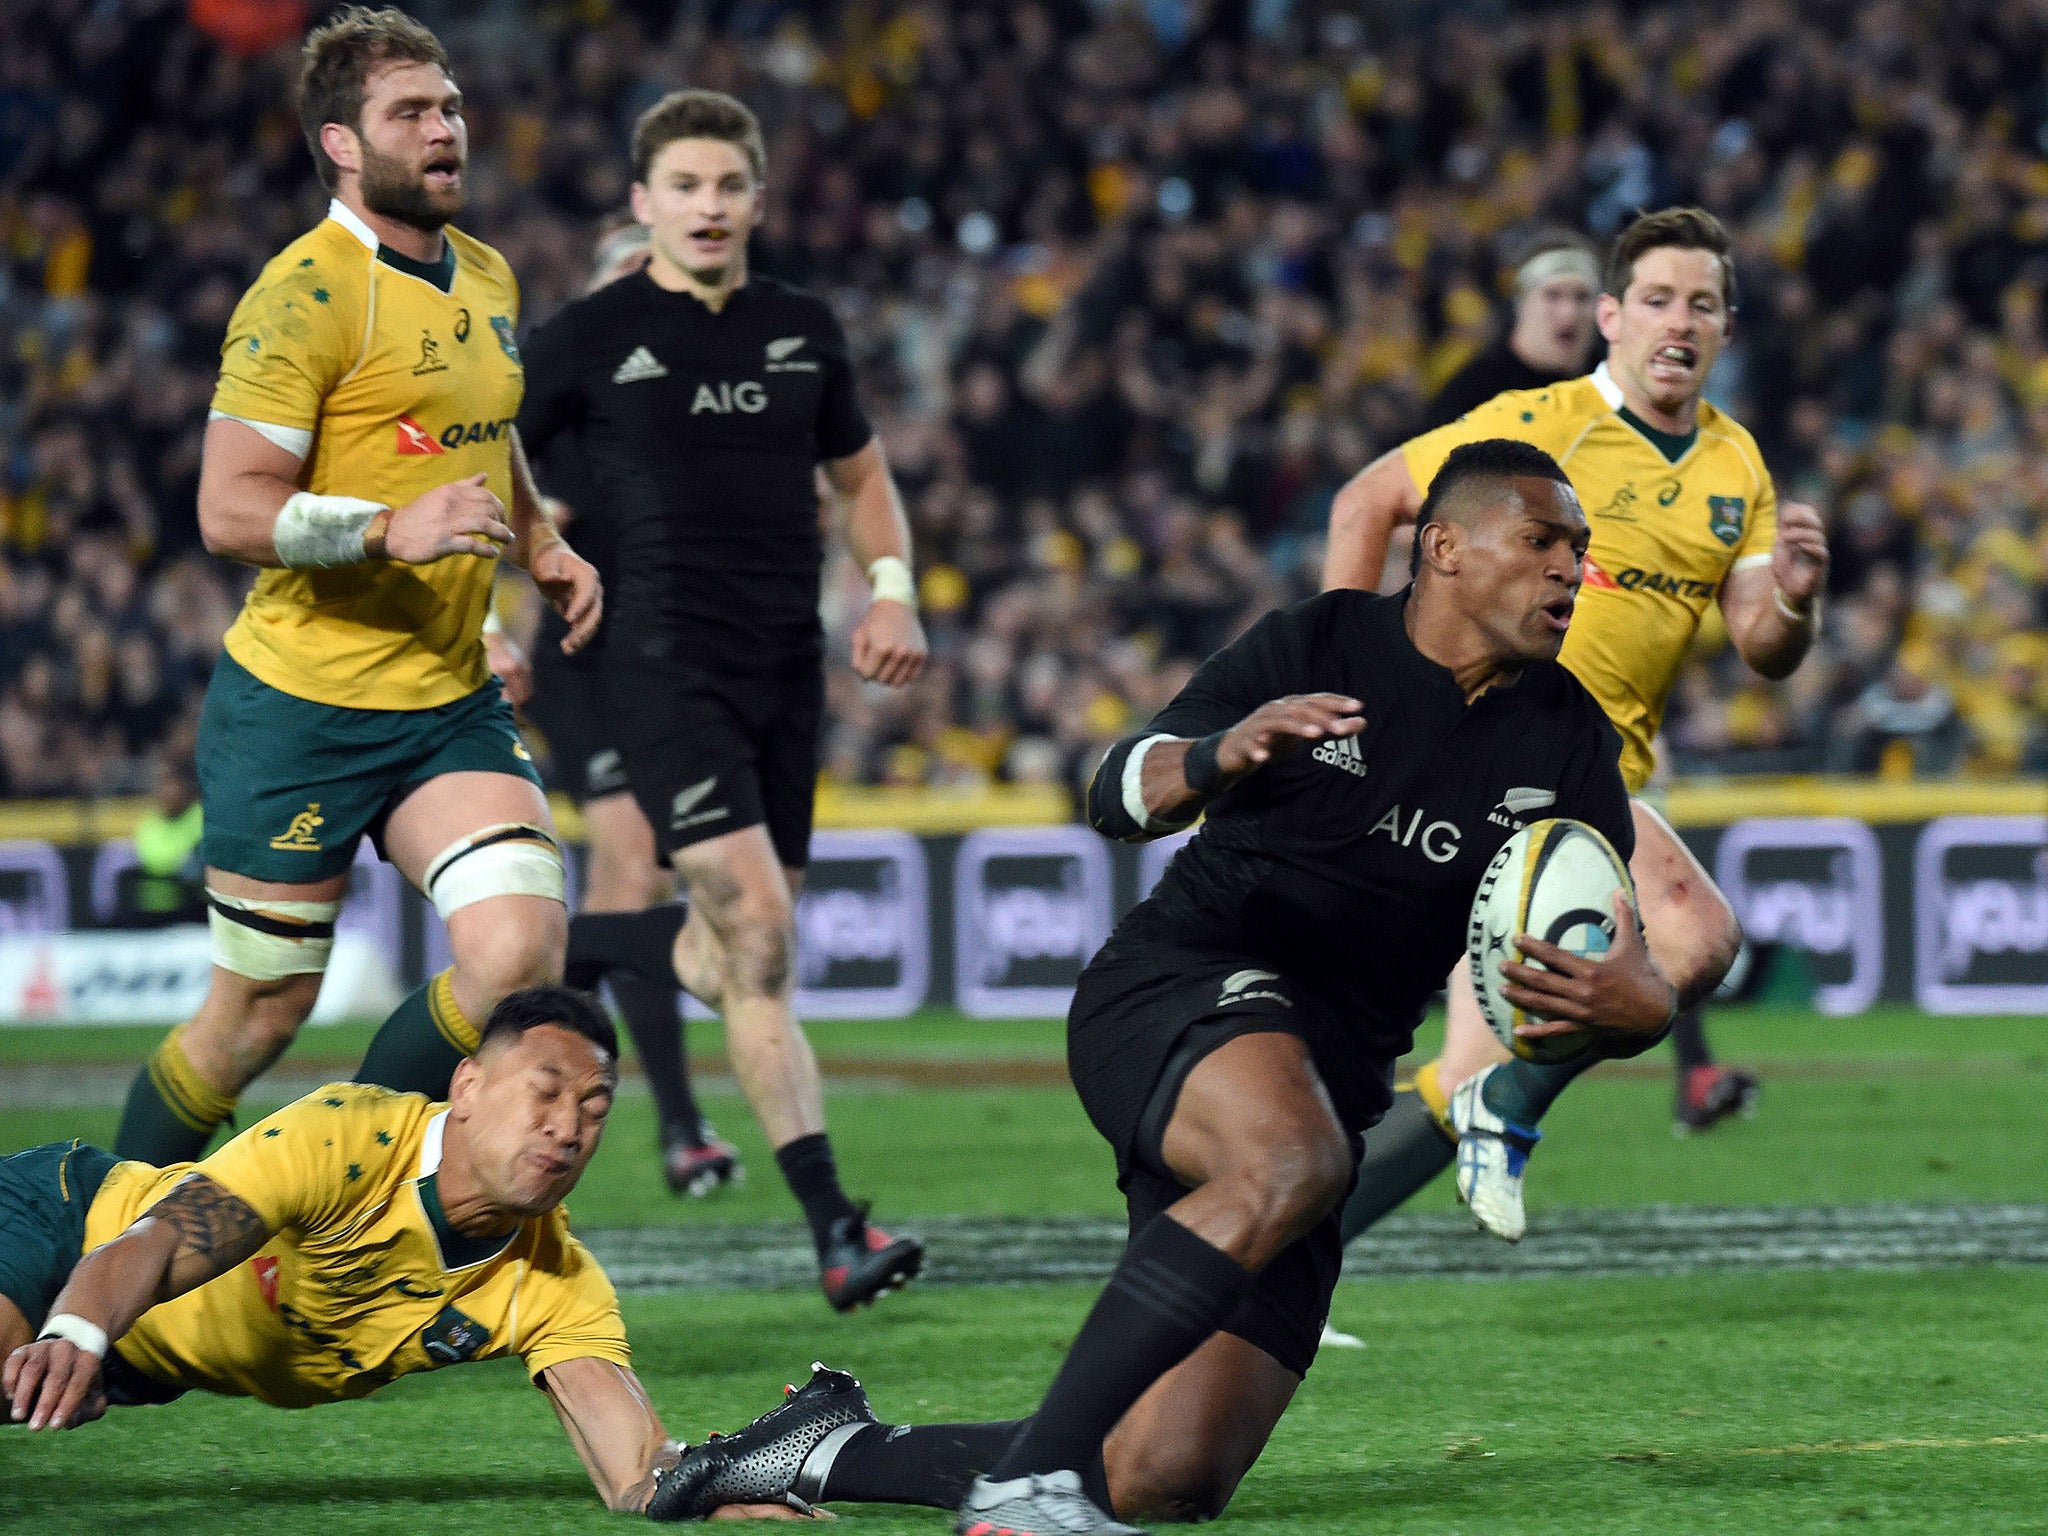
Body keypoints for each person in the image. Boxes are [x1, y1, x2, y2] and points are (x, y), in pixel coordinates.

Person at [643, 440, 1683, 1534]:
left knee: (1162, 1476)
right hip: (1176, 990)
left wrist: (1635, 1012)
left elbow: (1626, 959)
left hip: (1326, 1083)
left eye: (1579, 550)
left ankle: (817, 1451)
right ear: (1443, 550)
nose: (1571, 570)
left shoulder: (1563, 732)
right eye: (1541, 543)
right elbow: (1109, 786)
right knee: (1288, 1158)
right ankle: (1023, 1486)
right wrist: (1214, 756)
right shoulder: (1317, 641)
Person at [111, 6, 601, 1166]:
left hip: (444, 700)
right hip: (303, 707)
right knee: (257, 1018)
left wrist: (539, 544)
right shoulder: (301, 298)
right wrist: (391, 527)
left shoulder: (483, 272)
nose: (445, 130)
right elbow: (228, 506)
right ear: (341, 142)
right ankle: (112, 1242)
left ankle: (340, 1197)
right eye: (411, 113)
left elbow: (485, 433)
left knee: (519, 954)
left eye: (450, 107)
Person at [1322, 207, 1831, 1246]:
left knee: (1479, 1059)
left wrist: (1794, 598)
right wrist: (1340, 674)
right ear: (1610, 316)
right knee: (1695, 929)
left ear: (1725, 329)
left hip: (1598, 778)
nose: (1675, 321)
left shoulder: (1736, 472)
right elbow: (1366, 500)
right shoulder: (1541, 421)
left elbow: (1759, 644)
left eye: (1700, 303)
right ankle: (1504, 1111)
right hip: (1496, 752)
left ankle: (1284, 1252)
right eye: (1654, 300)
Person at [515, 89, 928, 1311]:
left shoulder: (802, 326)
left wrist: (892, 589)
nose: (707, 207)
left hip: (783, 670)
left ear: (755, 199)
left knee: (745, 952)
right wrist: (510, 591)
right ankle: (838, 1231)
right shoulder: (586, 335)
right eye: (683, 187)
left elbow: (861, 475)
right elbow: (484, 460)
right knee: (754, 932)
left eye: (727, 186)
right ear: (643, 203)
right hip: (657, 662)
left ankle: (581, 946)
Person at [0, 986, 733, 1519]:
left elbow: (640, 1473)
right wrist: (76, 1332)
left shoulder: (556, 1281)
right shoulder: (347, 1138)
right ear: (468, 1087)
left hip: (143, 1360)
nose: (567, 1129)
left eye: (593, 1111)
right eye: (544, 1094)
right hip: (69, 1224)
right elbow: (157, 1240)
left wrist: (734, 1489)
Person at [507, 218, 741, 1197]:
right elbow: (506, 513)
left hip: (653, 667)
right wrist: (494, 629)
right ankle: (671, 1123)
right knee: (633, 862)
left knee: (637, 884)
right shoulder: (560, 405)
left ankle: (524, 1048)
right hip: (577, 661)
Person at [1423, 231, 1601, 431]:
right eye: (1552, 296)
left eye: (1582, 297)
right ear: (1521, 303)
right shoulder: (1472, 396)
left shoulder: (1615, 385)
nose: (1569, 313)